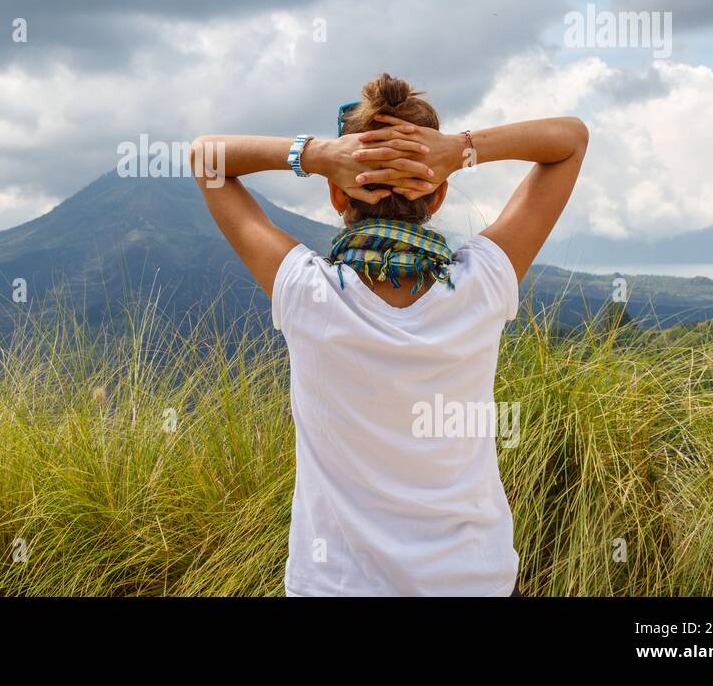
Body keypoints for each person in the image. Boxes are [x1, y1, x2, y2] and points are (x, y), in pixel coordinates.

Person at [189, 73, 589, 596]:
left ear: (337, 194)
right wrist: (461, 149)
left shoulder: (309, 293)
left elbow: (205, 158)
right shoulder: (484, 281)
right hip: (472, 583)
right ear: (439, 193)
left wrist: (314, 155)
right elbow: (571, 140)